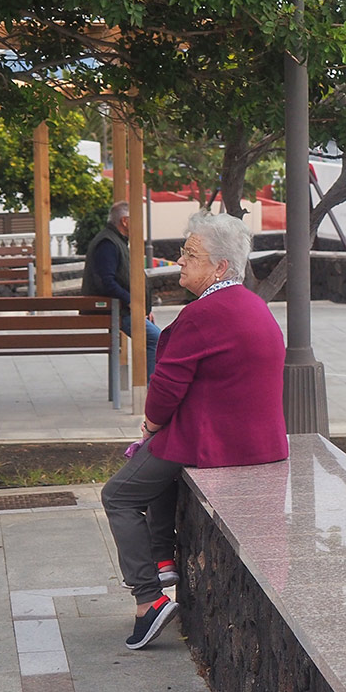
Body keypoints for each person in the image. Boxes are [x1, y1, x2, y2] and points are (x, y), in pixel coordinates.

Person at [100, 211, 288, 650]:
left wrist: (147, 427)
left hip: (213, 441)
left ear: (220, 267)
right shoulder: (252, 304)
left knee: (118, 494)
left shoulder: (201, 315)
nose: (180, 261)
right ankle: (162, 559)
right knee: (154, 463)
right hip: (257, 442)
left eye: (190, 254)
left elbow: (164, 392)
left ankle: (150, 599)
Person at [83, 201, 160, 375]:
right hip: (116, 309)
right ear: (125, 221)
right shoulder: (108, 243)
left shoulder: (115, 240)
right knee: (156, 339)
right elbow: (107, 282)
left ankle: (152, 388)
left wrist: (144, 307)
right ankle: (151, 390)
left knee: (156, 339)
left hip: (122, 308)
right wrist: (132, 302)